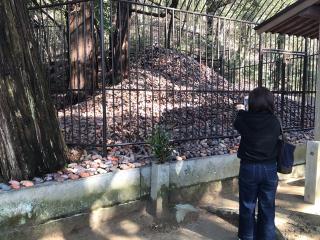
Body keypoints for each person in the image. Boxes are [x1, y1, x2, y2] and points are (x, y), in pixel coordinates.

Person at [234, 87, 281, 240]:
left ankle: (247, 237)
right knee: (267, 207)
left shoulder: (245, 118)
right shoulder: (275, 121)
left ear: (252, 102)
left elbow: (237, 123)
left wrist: (241, 110)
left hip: (249, 168)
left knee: (247, 206)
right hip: (270, 169)